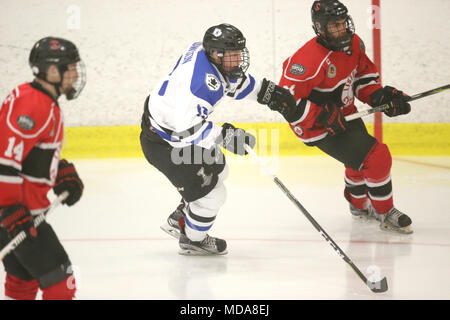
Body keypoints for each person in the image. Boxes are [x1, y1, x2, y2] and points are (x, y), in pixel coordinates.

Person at [140, 23, 296, 255]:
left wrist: (266, 91)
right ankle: (193, 240)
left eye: (238, 53)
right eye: (233, 55)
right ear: (216, 54)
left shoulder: (205, 55)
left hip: (169, 127)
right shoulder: (201, 84)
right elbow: (187, 130)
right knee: (213, 195)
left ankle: (181, 216)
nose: (238, 60)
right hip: (166, 143)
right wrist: (227, 136)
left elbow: (231, 83)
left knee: (220, 169)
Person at [264, 0, 413, 234]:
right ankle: (385, 211)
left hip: (346, 115)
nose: (342, 29)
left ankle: (359, 207)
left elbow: (363, 78)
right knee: (377, 156)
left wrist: (380, 96)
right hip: (315, 126)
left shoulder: (354, 44)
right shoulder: (306, 61)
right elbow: (285, 103)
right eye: (334, 25)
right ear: (320, 28)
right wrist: (321, 116)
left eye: (344, 22)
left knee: (358, 162)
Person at [0, 37, 86, 299]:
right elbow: (4, 162)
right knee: (61, 283)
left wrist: (58, 170)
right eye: (69, 68)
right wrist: (11, 213)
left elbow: (26, 152)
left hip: (15, 215)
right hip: (16, 215)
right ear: (52, 71)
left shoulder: (39, 99)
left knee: (23, 279)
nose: (74, 74)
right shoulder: (33, 104)